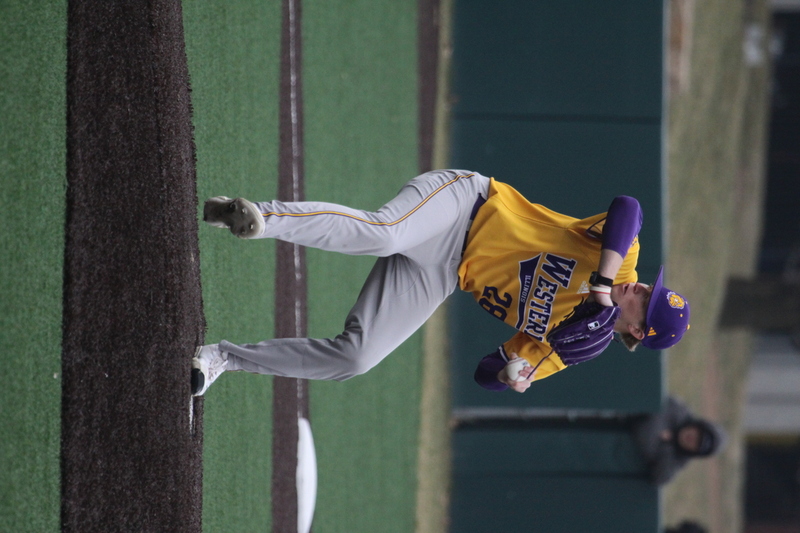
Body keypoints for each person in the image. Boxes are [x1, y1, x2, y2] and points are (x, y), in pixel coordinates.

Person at [190, 169, 691, 396]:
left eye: (647, 301)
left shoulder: (580, 341)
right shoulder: (622, 265)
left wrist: (512, 374)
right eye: (652, 286)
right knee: (385, 233)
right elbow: (630, 208)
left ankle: (223, 358)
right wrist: (603, 284)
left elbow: (484, 371)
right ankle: (258, 217)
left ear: (640, 332)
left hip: (443, 272)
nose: (642, 288)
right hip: (461, 206)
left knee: (356, 358)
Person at [632, 396, 727, 485]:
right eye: (698, 434)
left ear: (693, 452)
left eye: (697, 444)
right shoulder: (678, 410)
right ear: (697, 426)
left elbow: (660, 478)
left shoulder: (675, 462)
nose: (692, 438)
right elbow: (647, 430)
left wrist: (669, 443)